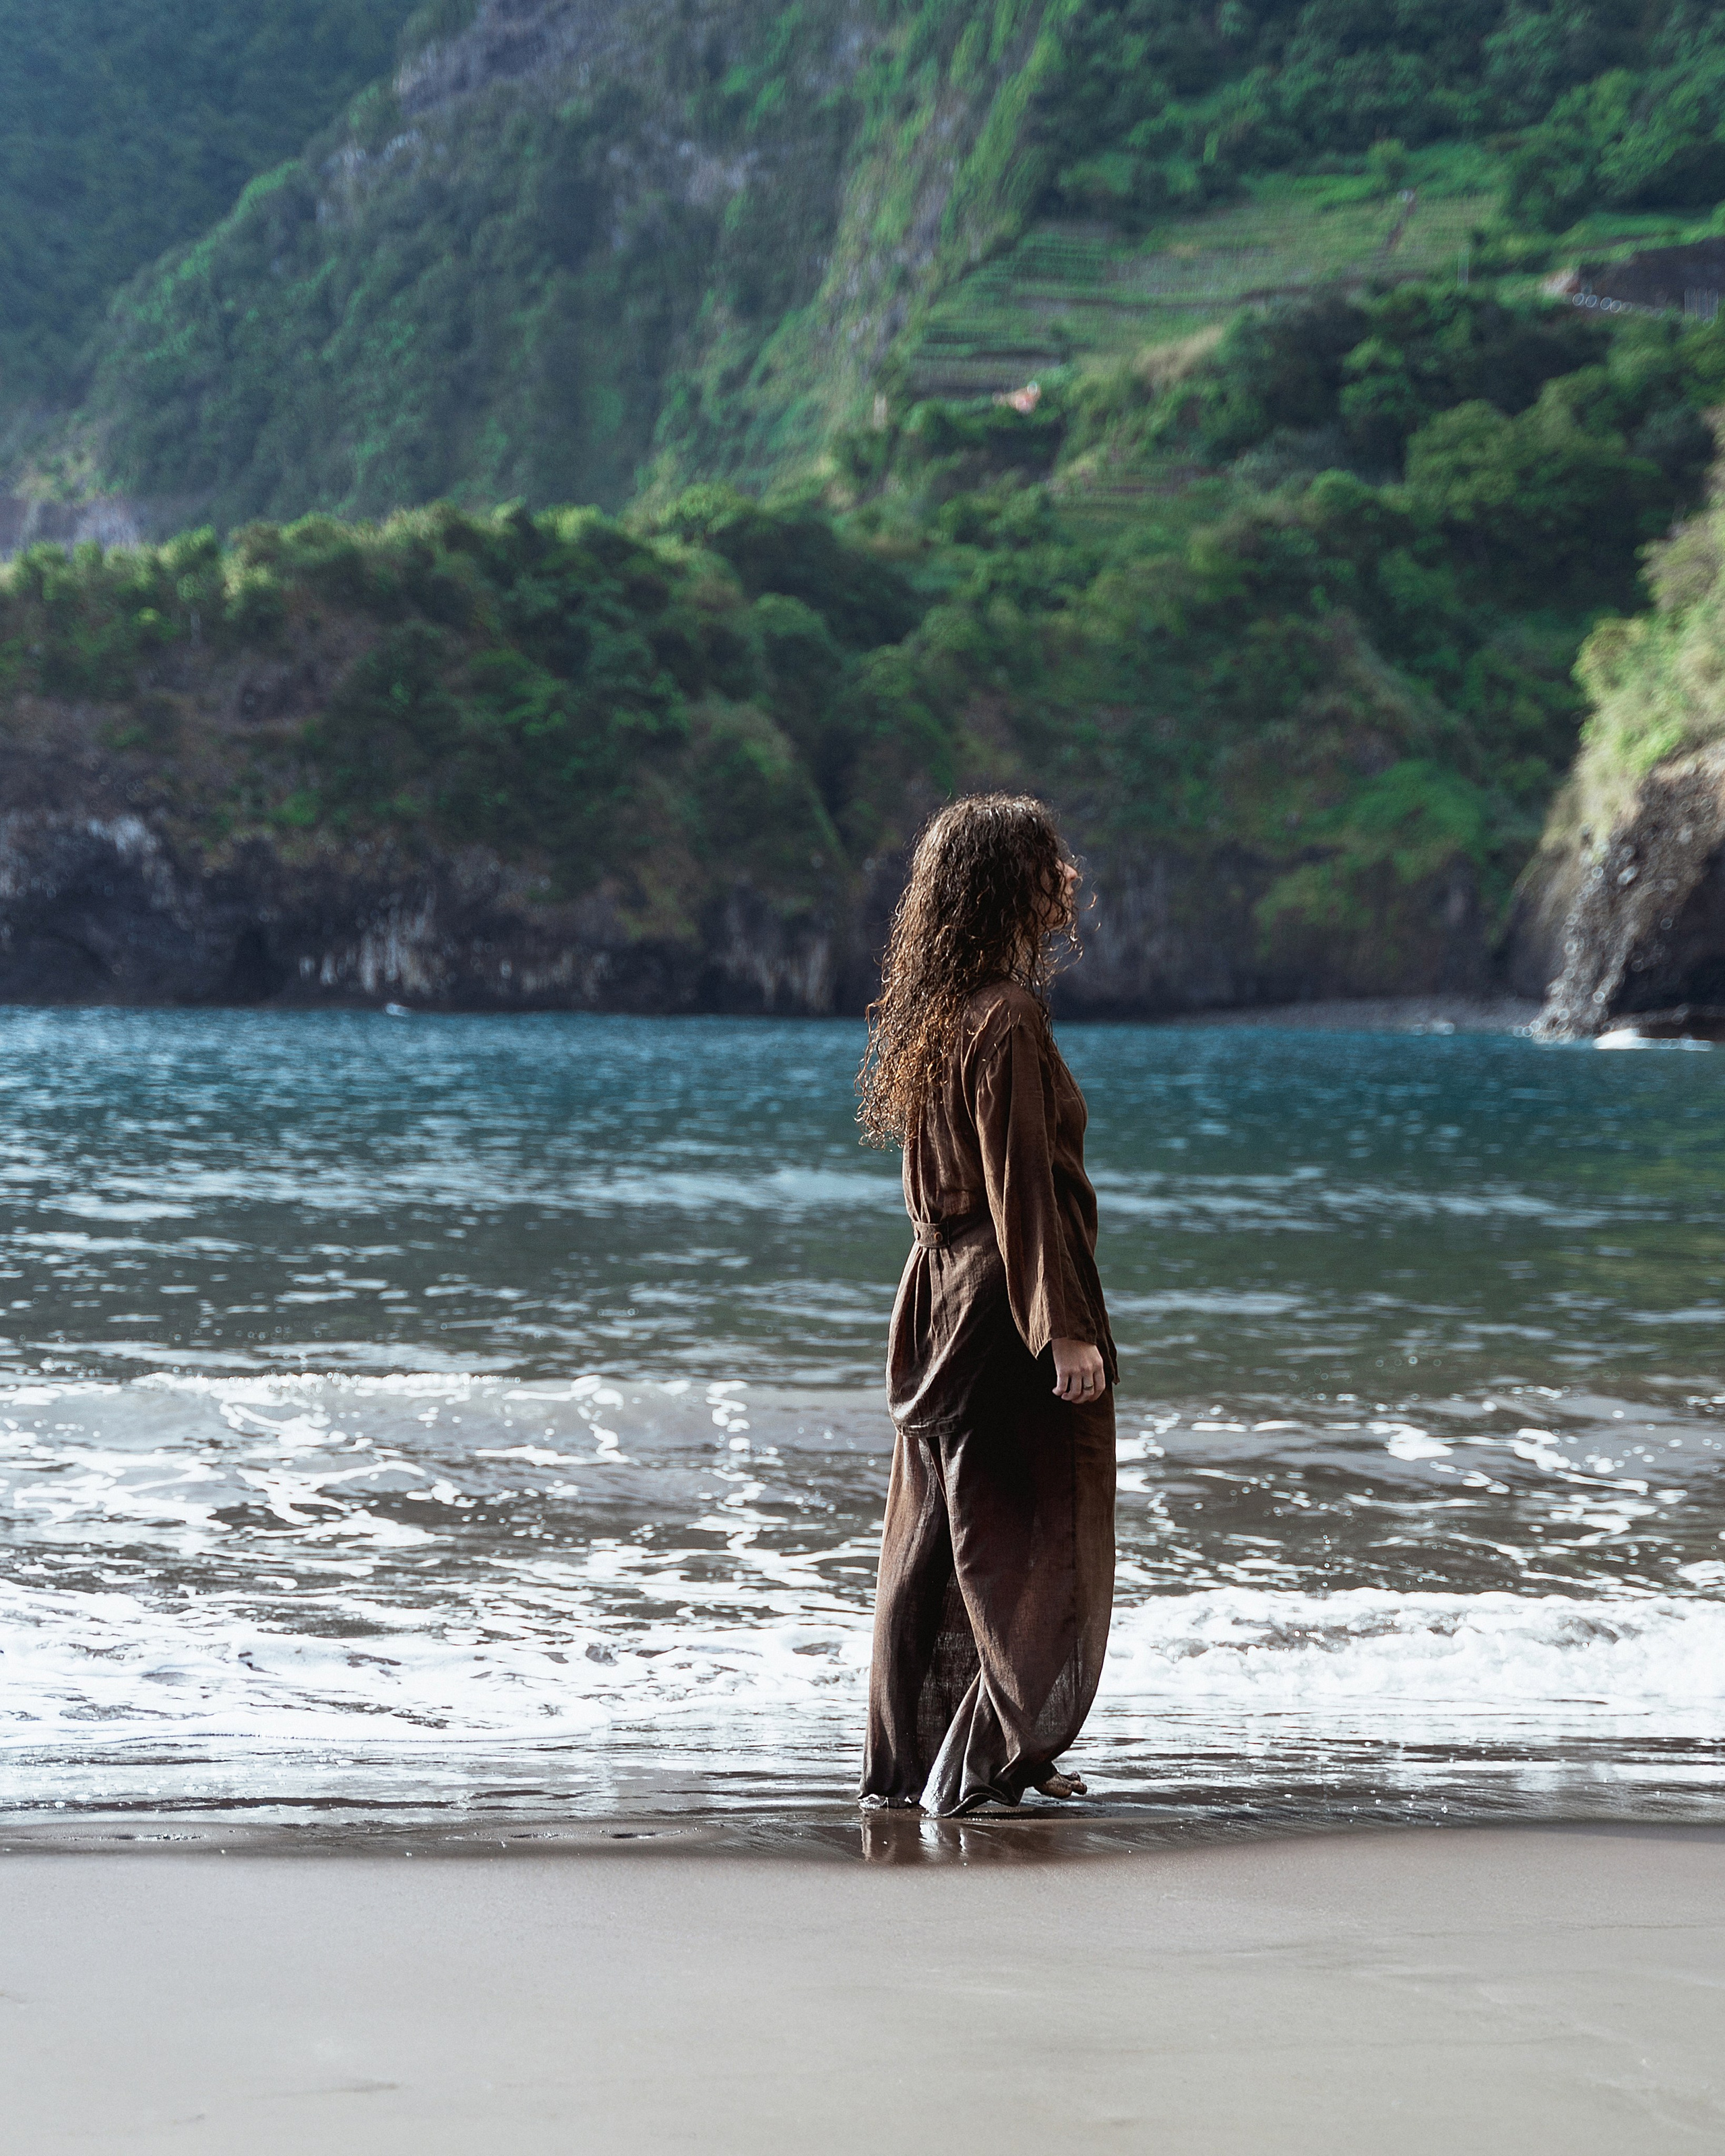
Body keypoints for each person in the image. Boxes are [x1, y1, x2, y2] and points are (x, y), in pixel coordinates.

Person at [856, 792, 1117, 1816]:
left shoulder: (943, 1014)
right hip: (1004, 1307)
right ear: (1010, 880)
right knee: (1030, 1531)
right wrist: (1065, 1331)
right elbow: (1021, 1190)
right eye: (1052, 862)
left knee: (936, 1538)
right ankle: (997, 1756)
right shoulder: (1005, 1015)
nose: (1070, 878)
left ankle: (918, 1764)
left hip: (939, 1298)